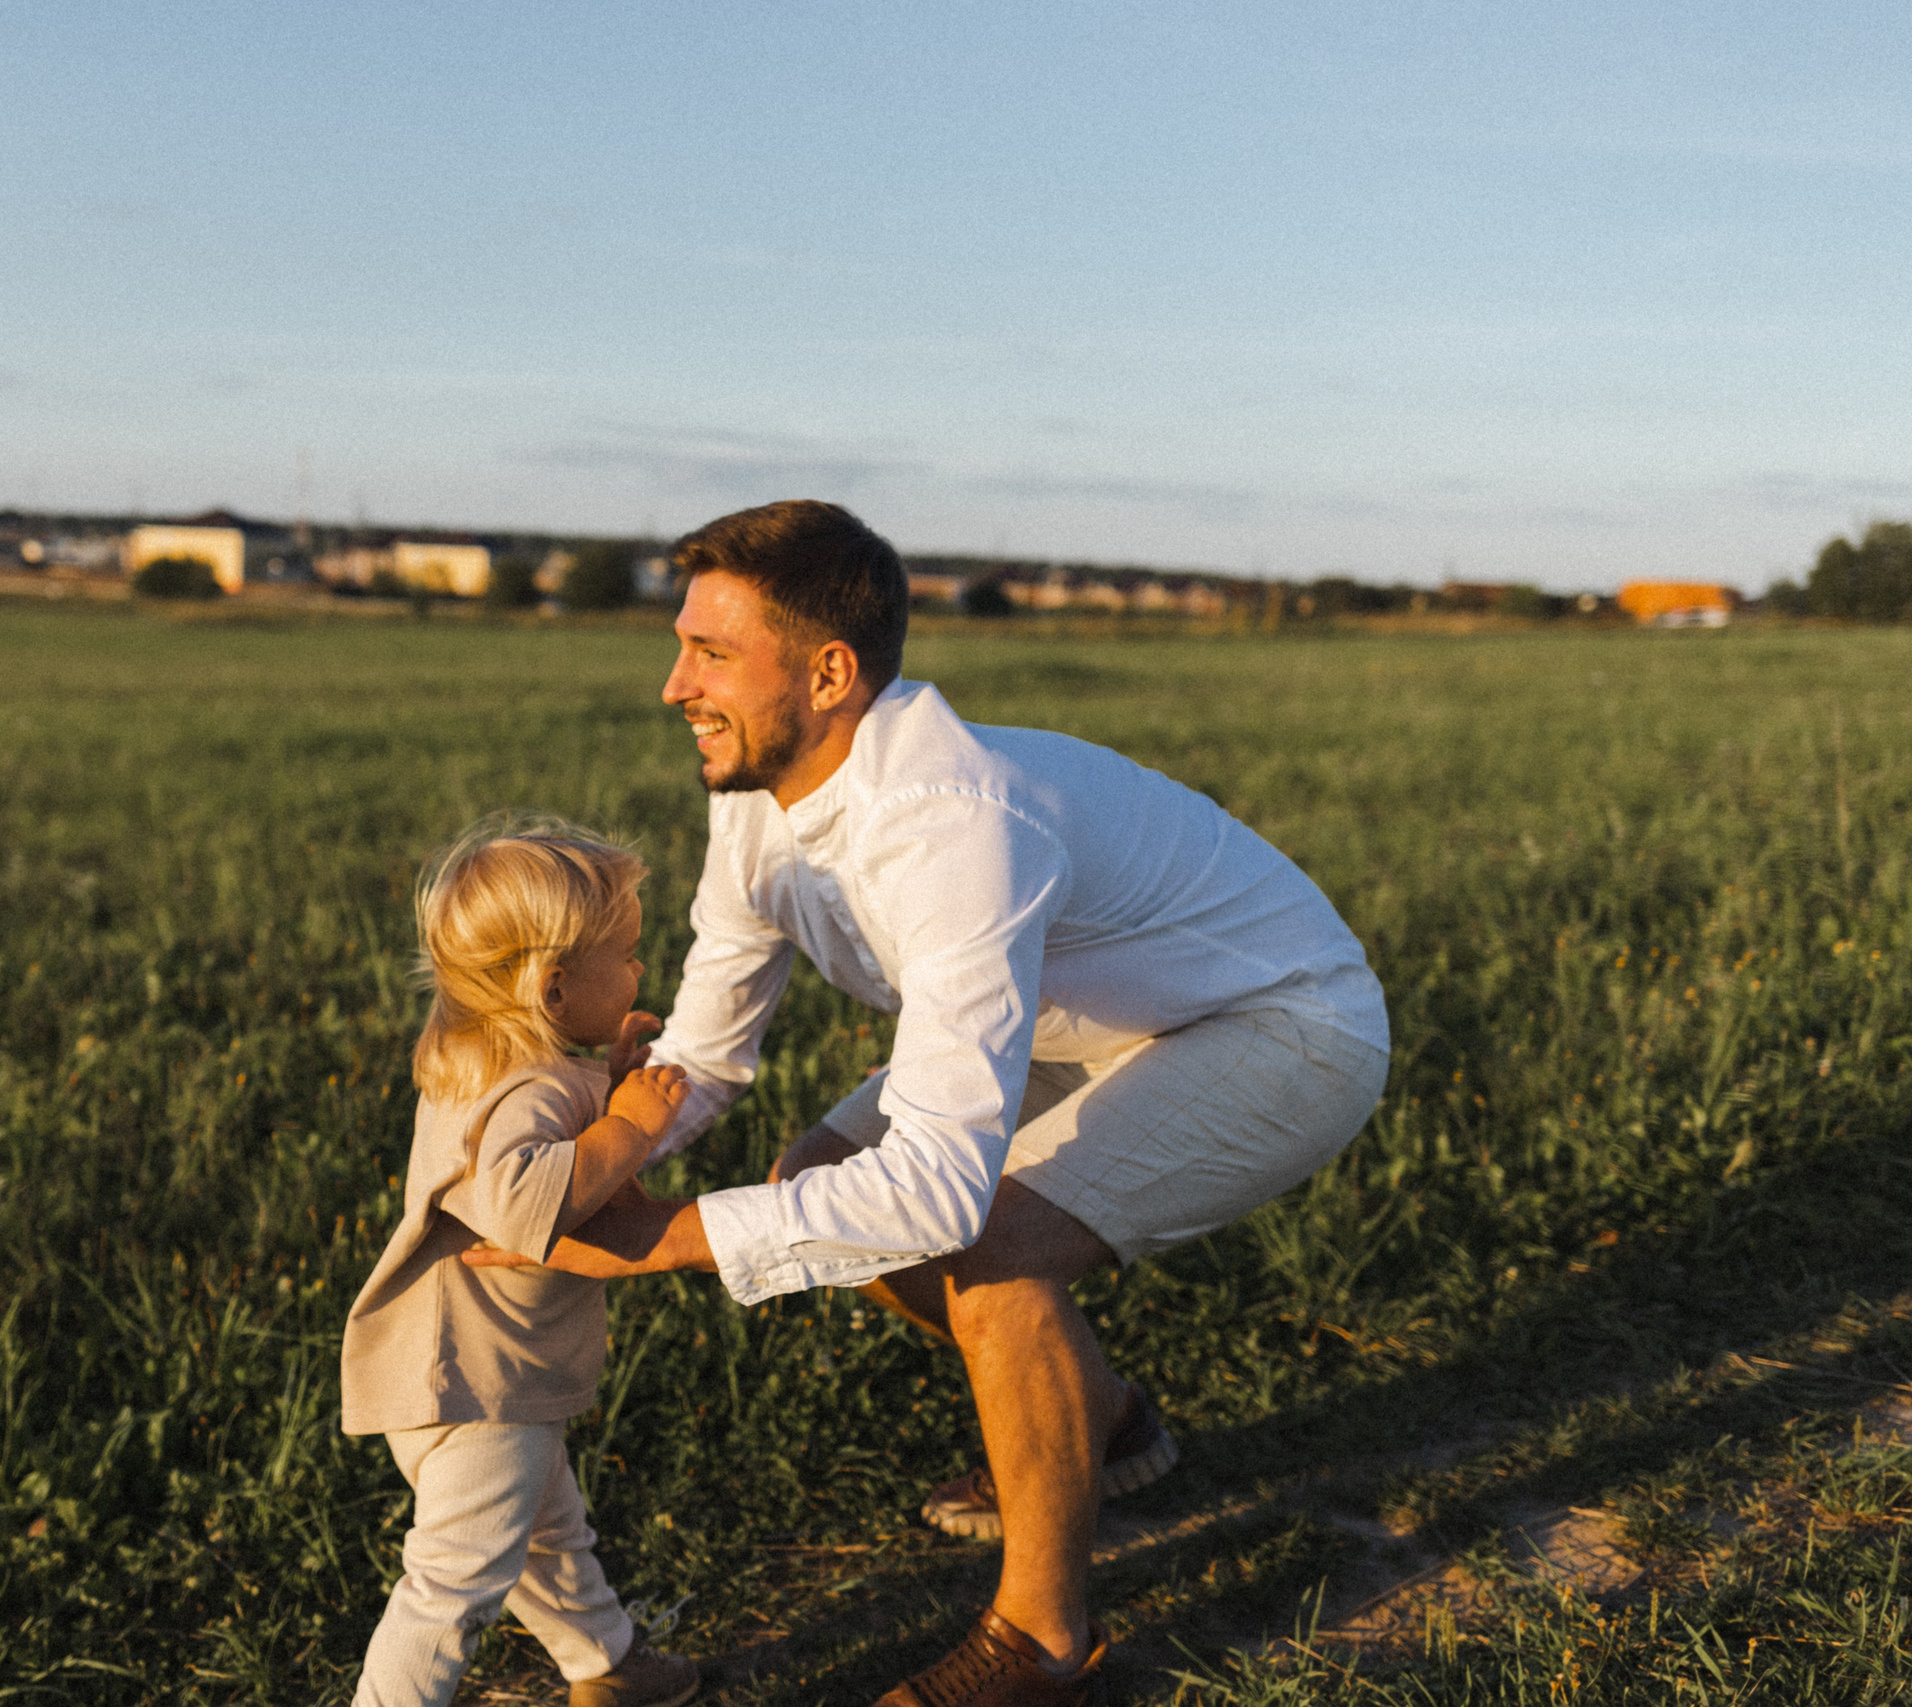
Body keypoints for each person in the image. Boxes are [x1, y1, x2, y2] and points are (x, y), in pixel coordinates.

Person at [467, 502, 1389, 1707]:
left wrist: (657, 1241)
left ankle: (1042, 1649)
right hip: (1094, 1016)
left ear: (829, 673)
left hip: (1281, 1027)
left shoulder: (958, 823)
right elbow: (705, 1050)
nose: (671, 685)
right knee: (821, 1184)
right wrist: (574, 1172)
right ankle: (1102, 1424)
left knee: (982, 1246)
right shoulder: (755, 798)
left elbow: (941, 1191)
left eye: (709, 654)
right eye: (681, 645)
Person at [341, 818, 704, 1707]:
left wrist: (609, 1080)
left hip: (479, 1371)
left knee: (547, 1529)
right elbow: (519, 1200)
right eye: (625, 952)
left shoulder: (499, 1065)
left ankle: (607, 1664)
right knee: (452, 1587)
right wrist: (629, 1127)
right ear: (552, 987)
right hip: (478, 1385)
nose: (638, 969)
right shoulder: (529, 1087)